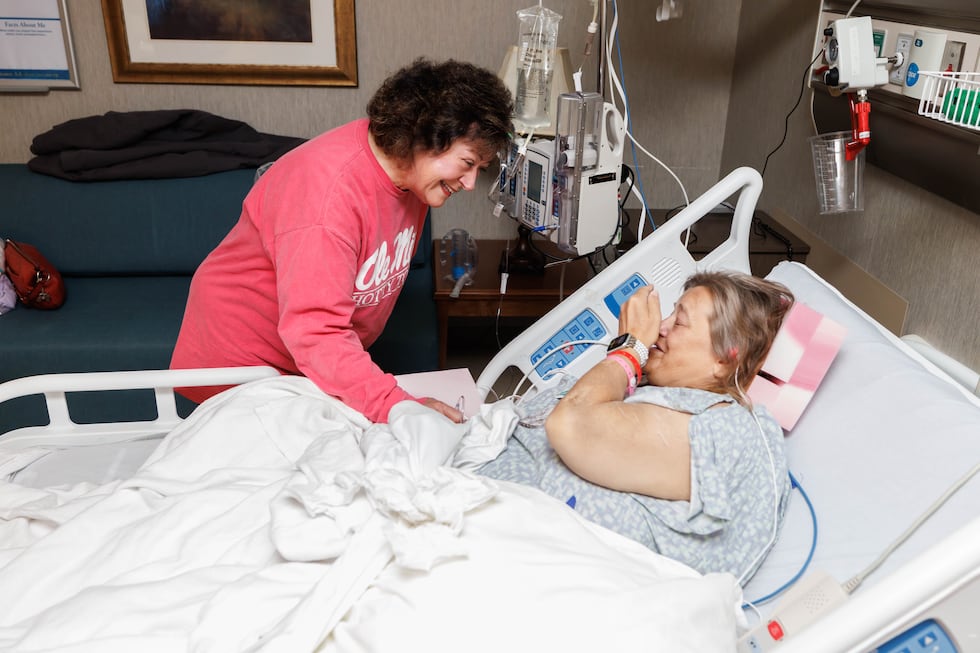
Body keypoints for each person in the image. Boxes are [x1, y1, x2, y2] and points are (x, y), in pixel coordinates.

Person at [170, 59, 513, 424]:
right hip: (242, 367)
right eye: (467, 163)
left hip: (303, 364)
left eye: (479, 169)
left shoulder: (412, 178)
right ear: (421, 136)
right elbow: (316, 333)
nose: (470, 183)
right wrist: (396, 405)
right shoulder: (327, 197)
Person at [477, 271, 795, 582]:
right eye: (670, 313)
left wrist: (630, 349)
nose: (661, 327)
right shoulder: (651, 390)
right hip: (480, 509)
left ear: (724, 359)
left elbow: (571, 425)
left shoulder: (723, 429)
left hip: (510, 559)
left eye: (679, 322)